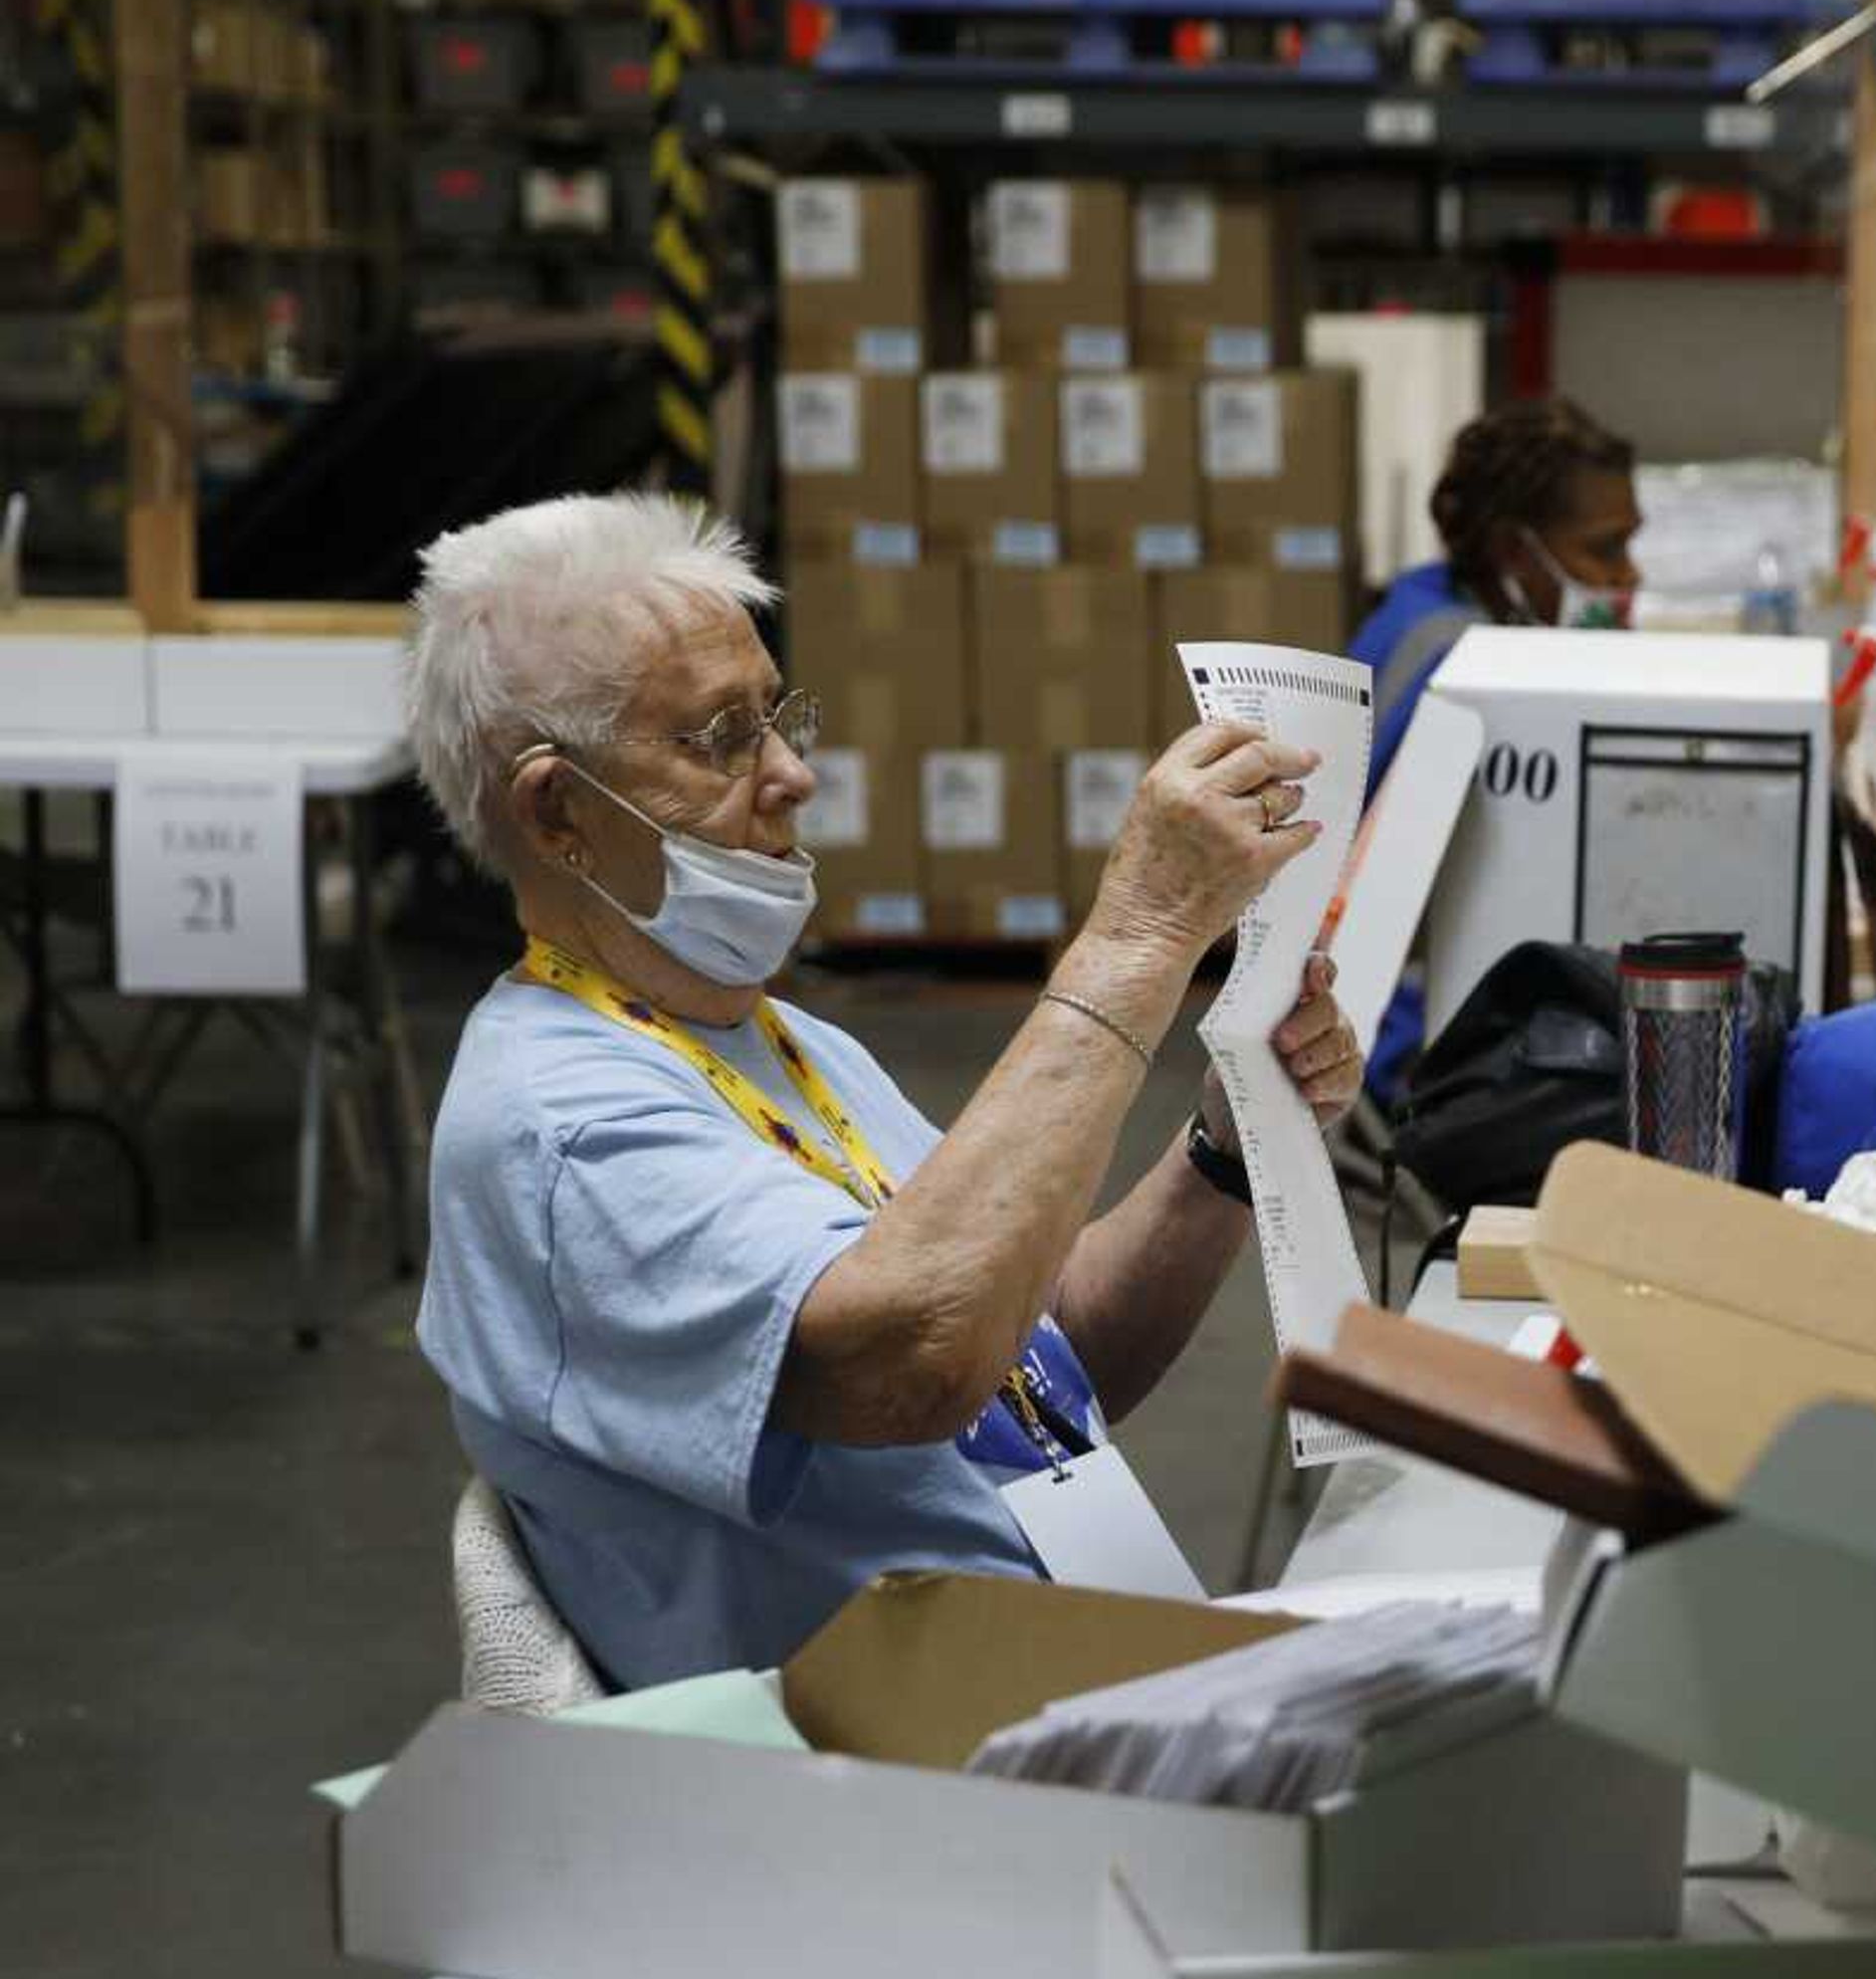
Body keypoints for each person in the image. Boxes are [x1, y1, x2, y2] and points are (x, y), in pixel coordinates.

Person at [408, 493, 1363, 1688]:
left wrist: (1222, 1149)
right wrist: (1137, 941)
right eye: (721, 736)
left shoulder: (766, 1035)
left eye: (777, 715)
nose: (793, 773)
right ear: (558, 810)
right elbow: (916, 1357)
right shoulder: (562, 1127)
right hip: (883, 1784)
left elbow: (1034, 1339)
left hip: (1044, 1676)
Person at [1344, 396, 1644, 1097]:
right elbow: (1389, 912)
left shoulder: (1428, 604)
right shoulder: (1459, 674)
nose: (1630, 576)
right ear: (1515, 550)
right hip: (1394, 1061)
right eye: (1605, 549)